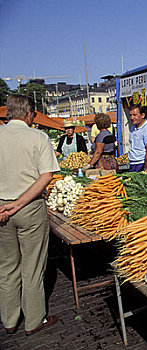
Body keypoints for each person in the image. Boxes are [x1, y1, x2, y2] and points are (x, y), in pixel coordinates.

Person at [0, 95, 60, 335]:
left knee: (6, 266)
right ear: (28, 114)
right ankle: (34, 320)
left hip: (1, 208)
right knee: (32, 266)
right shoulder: (38, 137)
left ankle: (9, 320)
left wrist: (6, 205)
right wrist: (19, 203)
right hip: (29, 206)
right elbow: (46, 176)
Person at [128, 104, 147, 172]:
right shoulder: (133, 127)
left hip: (141, 163)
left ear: (142, 115)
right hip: (132, 163)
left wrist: (145, 168)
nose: (132, 118)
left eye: (134, 115)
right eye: (130, 115)